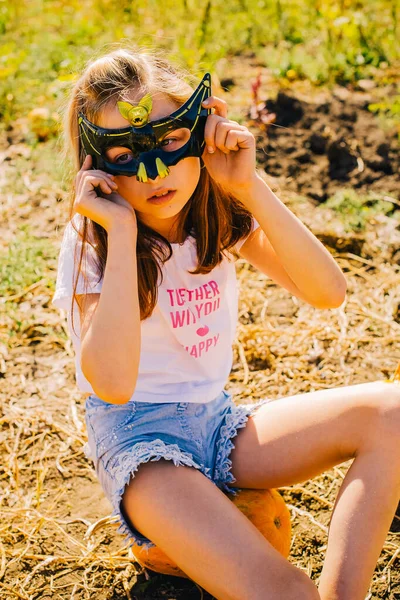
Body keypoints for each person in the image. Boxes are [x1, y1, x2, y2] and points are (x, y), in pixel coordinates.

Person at [52, 45, 400, 600]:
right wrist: (118, 235)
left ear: (202, 128)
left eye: (169, 140)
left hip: (219, 425)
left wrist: (246, 185)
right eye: (125, 153)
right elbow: (112, 384)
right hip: (145, 450)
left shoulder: (212, 213)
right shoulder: (93, 243)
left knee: (393, 413)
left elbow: (328, 292)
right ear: (95, 168)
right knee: (287, 593)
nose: (155, 170)